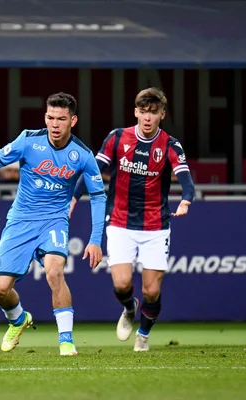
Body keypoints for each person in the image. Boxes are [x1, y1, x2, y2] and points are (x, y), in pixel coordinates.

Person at [0, 93, 106, 356]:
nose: (54, 124)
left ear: (73, 120)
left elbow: (98, 196)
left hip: (54, 221)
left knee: (54, 272)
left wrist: (95, 239)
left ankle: (66, 341)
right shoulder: (28, 141)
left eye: (61, 119)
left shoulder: (82, 155)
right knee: (0, 290)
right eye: (50, 118)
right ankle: (18, 319)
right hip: (20, 221)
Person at [71, 87, 195, 352]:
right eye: (143, 112)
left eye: (153, 112)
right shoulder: (117, 138)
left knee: (151, 290)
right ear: (135, 112)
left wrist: (186, 200)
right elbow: (94, 172)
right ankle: (129, 308)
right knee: (122, 283)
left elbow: (187, 181)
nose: (147, 118)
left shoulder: (170, 145)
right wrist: (73, 198)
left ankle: (144, 334)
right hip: (119, 222)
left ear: (162, 114)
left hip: (155, 225)